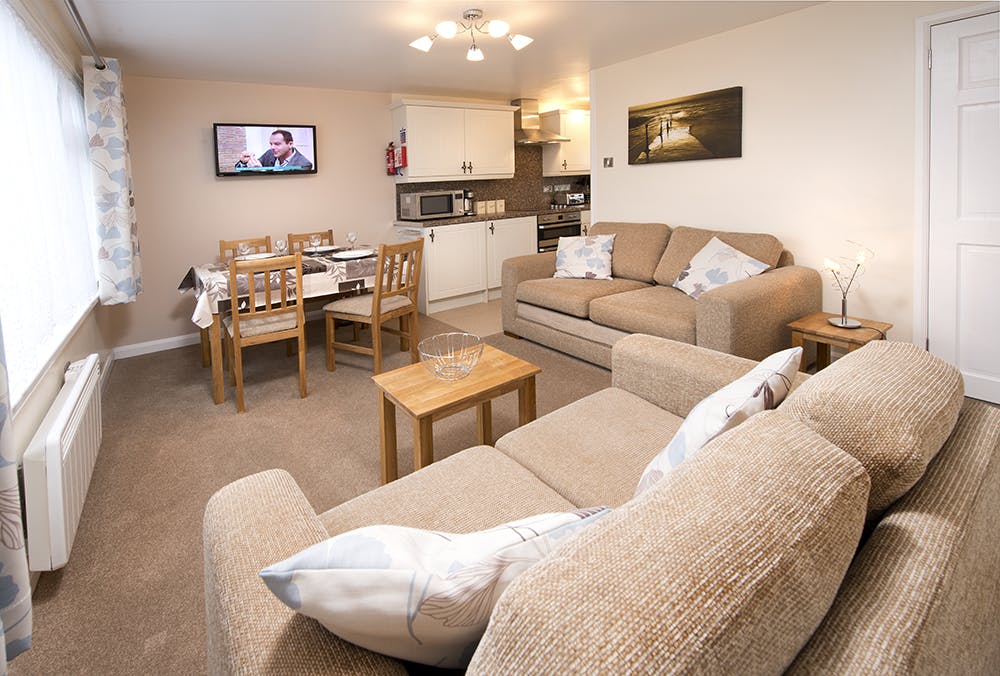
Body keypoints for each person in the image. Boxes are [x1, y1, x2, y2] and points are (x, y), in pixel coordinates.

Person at [235, 129, 313, 170]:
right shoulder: (269, 153)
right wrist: (244, 163)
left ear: (290, 144)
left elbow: (287, 185)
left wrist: (261, 171)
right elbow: (248, 170)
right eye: (271, 144)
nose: (272, 147)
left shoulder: (304, 164)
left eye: (277, 144)